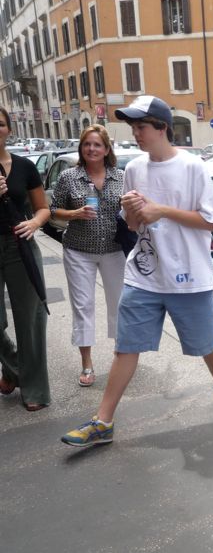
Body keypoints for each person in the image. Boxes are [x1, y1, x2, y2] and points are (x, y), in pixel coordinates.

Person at [62, 95, 213, 447]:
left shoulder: (193, 167)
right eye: (133, 127)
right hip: (143, 274)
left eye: (141, 126)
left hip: (189, 275)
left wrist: (161, 210)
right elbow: (132, 225)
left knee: (207, 343)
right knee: (126, 348)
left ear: (162, 128)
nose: (136, 133)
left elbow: (210, 221)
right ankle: (103, 421)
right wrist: (133, 212)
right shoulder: (134, 169)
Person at [51, 125, 126, 387]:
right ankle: (87, 363)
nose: (91, 149)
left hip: (115, 250)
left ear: (106, 149)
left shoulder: (121, 177)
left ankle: (121, 356)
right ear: (81, 148)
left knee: (119, 303)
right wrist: (74, 214)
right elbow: (52, 210)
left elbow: (129, 211)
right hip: (78, 250)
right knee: (83, 305)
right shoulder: (69, 177)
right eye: (87, 144)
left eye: (97, 144)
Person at [0, 106, 51, 411]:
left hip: (21, 245)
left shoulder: (24, 166)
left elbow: (43, 208)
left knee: (30, 320)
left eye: (0, 124)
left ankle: (35, 389)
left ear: (9, 129)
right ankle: (16, 368)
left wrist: (34, 223)